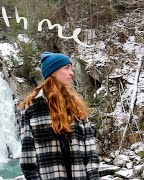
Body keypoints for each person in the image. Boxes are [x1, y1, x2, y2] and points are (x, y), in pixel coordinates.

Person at [18, 52, 100, 180]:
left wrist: (94, 176)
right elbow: (27, 153)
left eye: (71, 68)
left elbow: (90, 149)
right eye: (66, 68)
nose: (71, 73)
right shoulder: (32, 106)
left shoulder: (76, 104)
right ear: (52, 72)